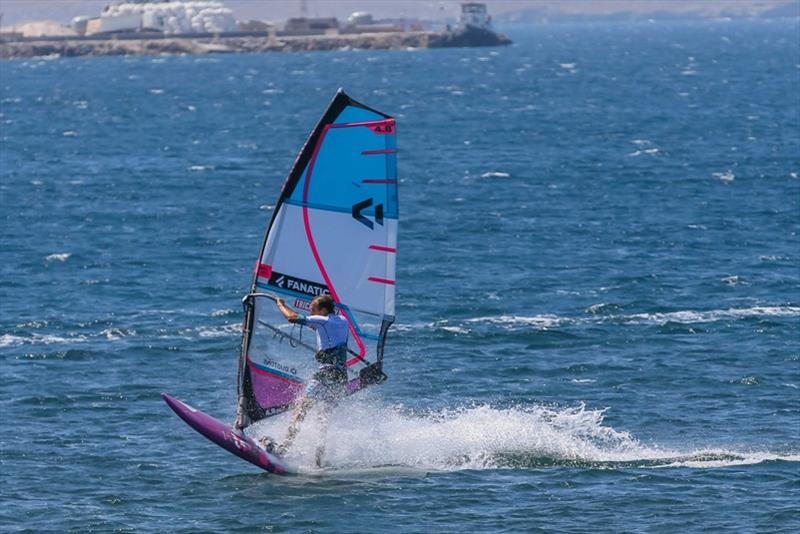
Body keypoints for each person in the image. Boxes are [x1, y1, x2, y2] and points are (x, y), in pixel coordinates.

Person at [261, 294, 349, 466]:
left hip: (326, 374)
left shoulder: (322, 321)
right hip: (341, 377)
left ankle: (283, 449)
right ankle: (318, 460)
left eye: (313, 310)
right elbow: (321, 327)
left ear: (323, 310)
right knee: (323, 418)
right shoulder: (342, 320)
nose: (311, 312)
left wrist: (280, 304)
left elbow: (291, 317)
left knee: (301, 408)